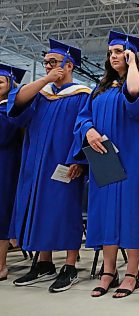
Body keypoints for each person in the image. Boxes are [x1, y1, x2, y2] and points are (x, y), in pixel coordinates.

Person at [73, 30, 139, 298]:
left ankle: (132, 273)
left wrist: (132, 64)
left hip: (131, 158)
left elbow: (135, 98)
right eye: (110, 53)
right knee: (105, 212)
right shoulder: (99, 88)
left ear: (131, 54)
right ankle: (109, 271)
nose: (113, 57)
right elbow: (82, 117)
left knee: (131, 213)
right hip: (104, 158)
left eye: (119, 52)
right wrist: (88, 130)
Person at [7, 39, 89, 292]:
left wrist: (79, 161)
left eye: (54, 62)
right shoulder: (41, 93)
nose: (48, 66)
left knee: (65, 212)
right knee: (38, 209)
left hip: (64, 163)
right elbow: (17, 104)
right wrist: (46, 79)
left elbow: (85, 129)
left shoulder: (82, 94)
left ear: (69, 65)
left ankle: (70, 266)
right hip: (35, 163)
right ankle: (44, 263)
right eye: (46, 63)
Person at [0, 64, 25, 282]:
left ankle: (0, 265)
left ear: (11, 84)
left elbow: (4, 137)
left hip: (5, 166)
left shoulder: (10, 109)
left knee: (2, 212)